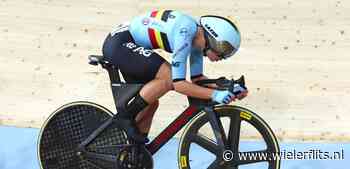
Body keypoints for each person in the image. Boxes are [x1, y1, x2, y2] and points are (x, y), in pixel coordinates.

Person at [102, 10, 248, 143]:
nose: (223, 56)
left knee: (151, 103)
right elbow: (177, 83)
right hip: (119, 43)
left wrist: (227, 87)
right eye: (223, 48)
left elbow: (197, 80)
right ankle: (124, 117)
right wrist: (215, 94)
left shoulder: (198, 40)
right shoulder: (185, 32)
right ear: (212, 38)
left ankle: (134, 152)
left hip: (127, 44)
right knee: (169, 76)